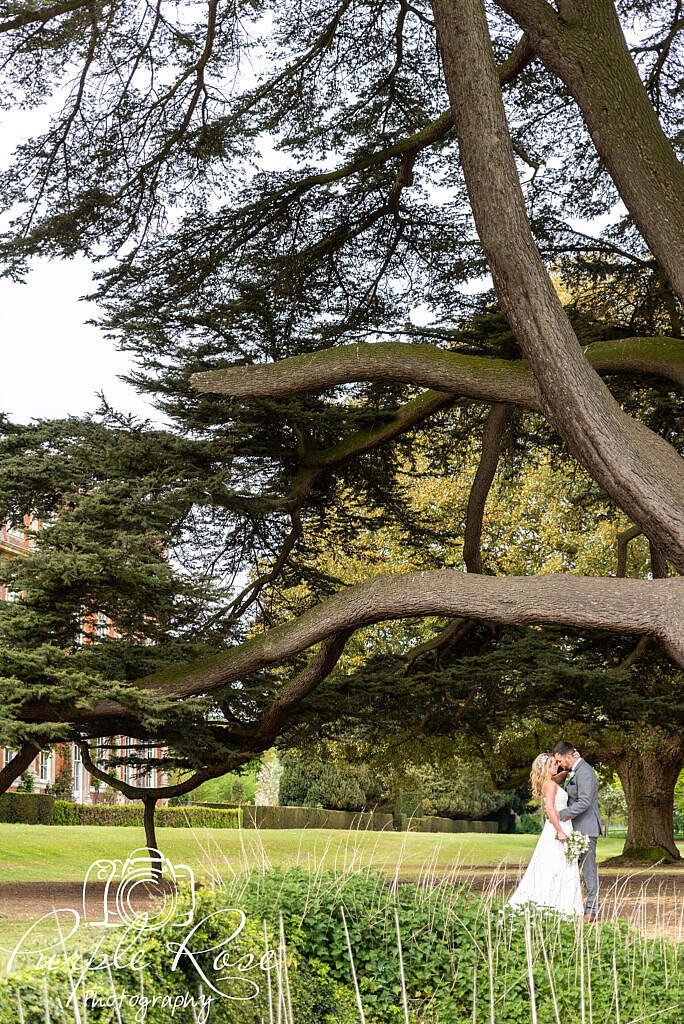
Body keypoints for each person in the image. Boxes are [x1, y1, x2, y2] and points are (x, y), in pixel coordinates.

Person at [507, 752, 584, 917]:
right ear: (546, 768)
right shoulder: (549, 785)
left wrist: (565, 773)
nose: (557, 765)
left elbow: (555, 782)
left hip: (563, 825)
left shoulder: (550, 782)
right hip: (558, 827)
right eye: (553, 764)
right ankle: (555, 906)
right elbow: (550, 809)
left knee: (561, 865)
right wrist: (560, 831)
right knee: (556, 865)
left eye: (557, 763)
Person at [552, 740, 603, 922]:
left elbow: (585, 802)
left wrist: (560, 815)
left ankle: (592, 910)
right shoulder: (574, 772)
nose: (559, 765)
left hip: (587, 828)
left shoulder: (585, 772)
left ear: (568, 756)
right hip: (576, 828)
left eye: (560, 761)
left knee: (588, 870)